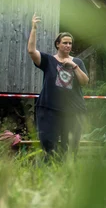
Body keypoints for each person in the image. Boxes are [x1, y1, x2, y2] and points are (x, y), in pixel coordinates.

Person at [27, 13, 89, 159]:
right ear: (58, 44)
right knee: (49, 144)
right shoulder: (48, 60)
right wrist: (34, 28)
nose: (68, 45)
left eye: (70, 43)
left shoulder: (78, 62)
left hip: (73, 110)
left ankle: (68, 173)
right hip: (50, 109)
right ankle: (50, 173)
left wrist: (74, 66)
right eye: (65, 43)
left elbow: (84, 81)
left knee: (70, 146)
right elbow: (31, 51)